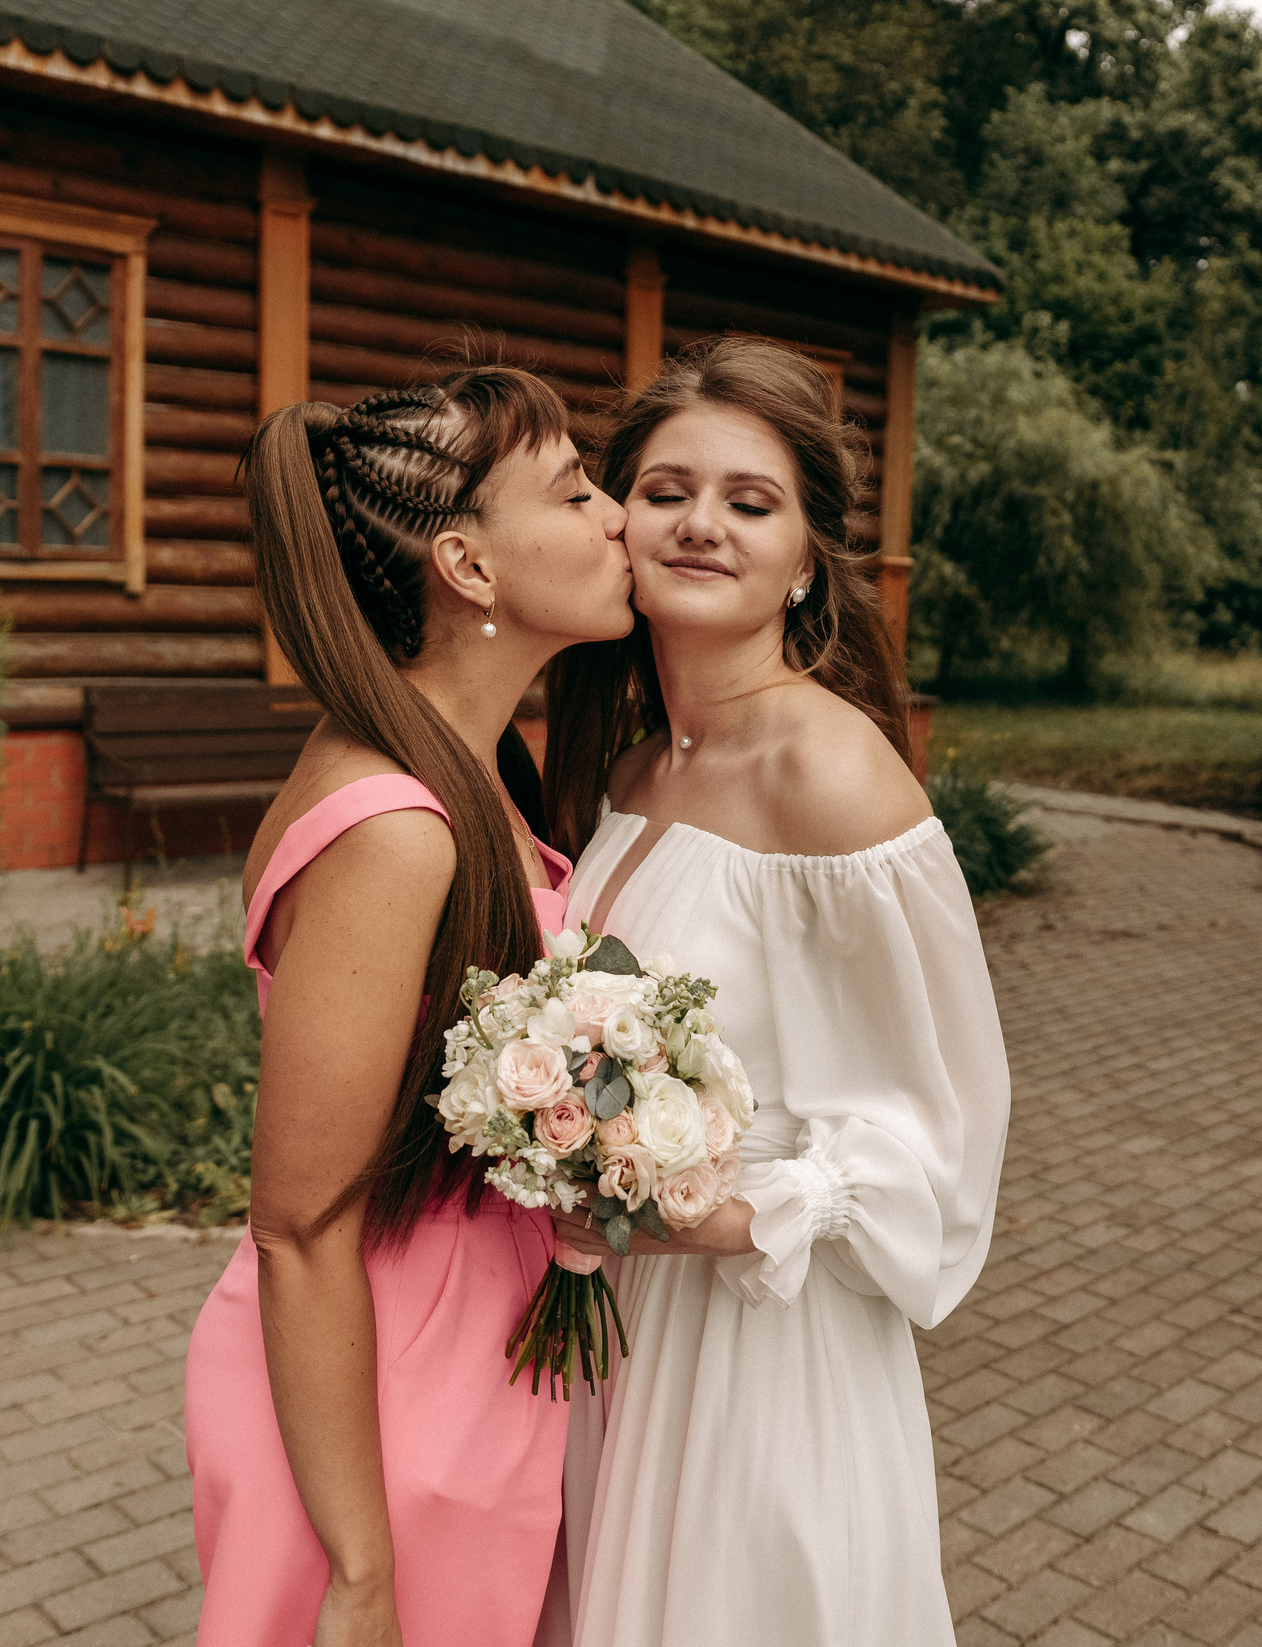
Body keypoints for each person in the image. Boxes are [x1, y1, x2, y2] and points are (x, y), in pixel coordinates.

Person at [541, 337, 1012, 1645]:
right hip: (614, 1325)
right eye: (665, 489)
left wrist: (741, 1210)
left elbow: (945, 1132)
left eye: (750, 502)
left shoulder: (835, 775)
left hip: (759, 1352)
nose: (699, 524)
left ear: (808, 559)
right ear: (616, 518)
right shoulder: (632, 769)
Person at [185, 366, 632, 1647]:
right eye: (574, 488)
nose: (613, 519)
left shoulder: (481, 768)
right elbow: (298, 1223)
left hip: (461, 1359)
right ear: (469, 567)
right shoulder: (395, 829)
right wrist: (361, 1569)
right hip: (377, 1394)